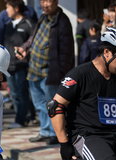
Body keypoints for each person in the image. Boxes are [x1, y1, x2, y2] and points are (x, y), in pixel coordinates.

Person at [49, 27, 116, 160]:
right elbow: (55, 107)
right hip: (87, 136)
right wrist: (64, 143)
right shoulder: (80, 74)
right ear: (107, 52)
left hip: (115, 134)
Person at [16, 0, 74, 145]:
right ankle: (45, 131)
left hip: (50, 70)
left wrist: (63, 73)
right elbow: (33, 38)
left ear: (56, 2)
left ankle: (55, 133)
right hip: (34, 68)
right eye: (42, 1)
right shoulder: (42, 18)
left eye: (48, 1)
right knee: (39, 103)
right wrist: (24, 48)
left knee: (52, 104)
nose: (45, 4)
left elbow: (67, 51)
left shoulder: (62, 21)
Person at [3, 0, 35, 128]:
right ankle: (26, 116)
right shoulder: (8, 24)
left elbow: (33, 43)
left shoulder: (28, 23)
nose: (6, 10)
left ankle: (21, 120)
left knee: (23, 92)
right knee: (14, 94)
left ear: (16, 8)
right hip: (9, 65)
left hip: (22, 65)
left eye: (8, 7)